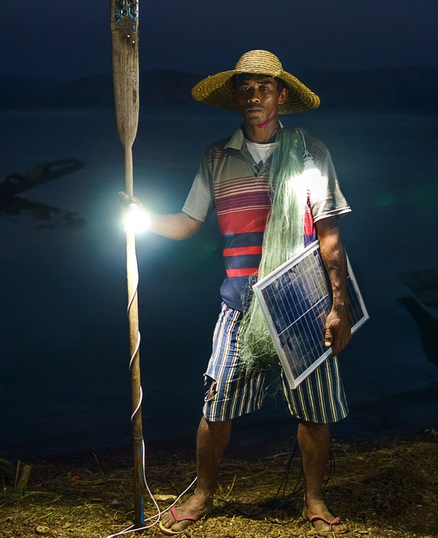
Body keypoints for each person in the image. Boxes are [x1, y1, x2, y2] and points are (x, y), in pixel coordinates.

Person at [122, 49, 352, 535]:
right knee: (216, 402)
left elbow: (329, 235)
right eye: (245, 88)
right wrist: (140, 217)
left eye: (264, 87)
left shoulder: (310, 154)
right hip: (240, 304)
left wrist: (340, 305)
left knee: (314, 409)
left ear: (280, 95)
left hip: (302, 302)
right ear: (236, 98)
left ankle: (314, 499)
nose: (254, 96)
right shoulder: (216, 158)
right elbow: (187, 223)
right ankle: (202, 493)